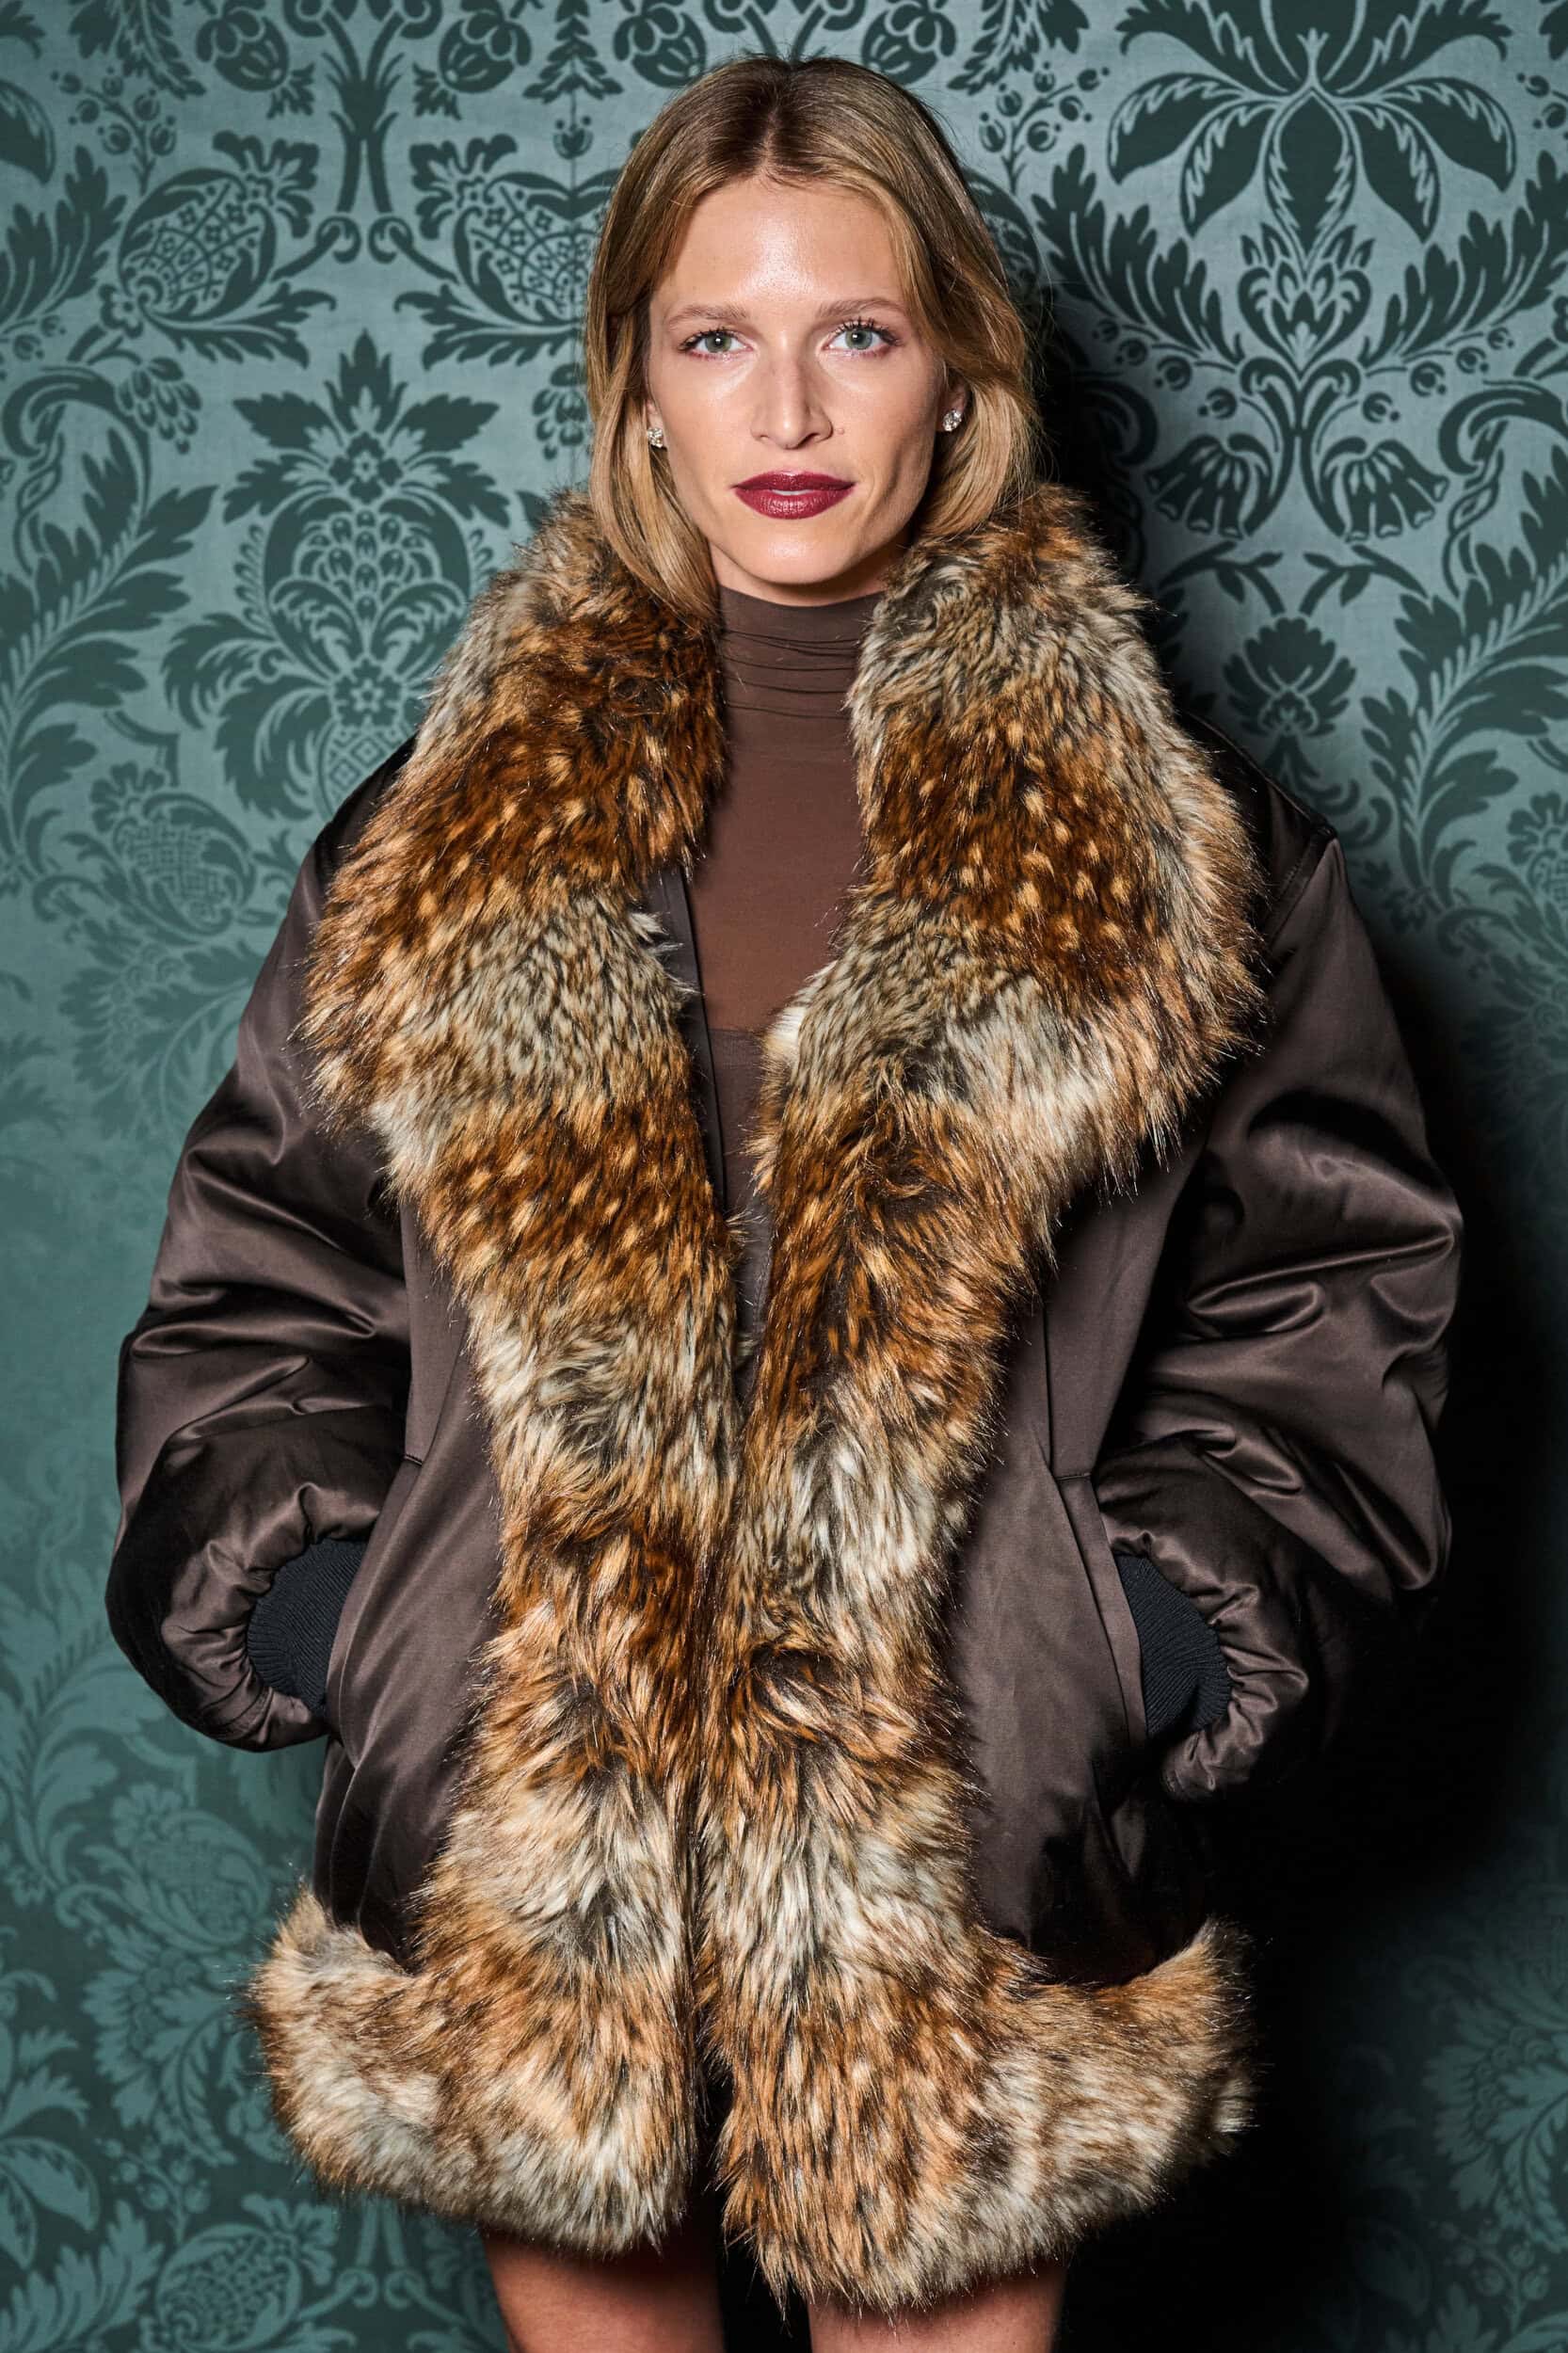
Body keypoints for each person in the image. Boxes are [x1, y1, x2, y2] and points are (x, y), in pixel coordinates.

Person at [104, 51, 1464, 2353]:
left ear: (957, 375)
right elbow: (261, 1283)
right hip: (545, 1858)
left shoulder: (1181, 851)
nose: (788, 405)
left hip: (957, 1833)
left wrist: (1115, 1639)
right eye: (715, 336)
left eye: (856, 329)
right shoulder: (441, 836)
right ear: (636, 389)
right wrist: (373, 1627)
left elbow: (1337, 1296)